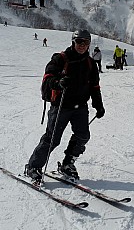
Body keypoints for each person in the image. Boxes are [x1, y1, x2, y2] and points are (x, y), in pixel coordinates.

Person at [25, 30, 105, 182]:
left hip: (80, 107)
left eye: (85, 43)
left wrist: (98, 105)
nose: (82, 45)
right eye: (79, 42)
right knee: (52, 138)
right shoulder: (60, 59)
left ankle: (67, 164)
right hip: (60, 106)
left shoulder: (90, 63)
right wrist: (58, 83)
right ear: (73, 42)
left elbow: (94, 86)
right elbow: (48, 78)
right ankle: (33, 166)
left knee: (83, 136)